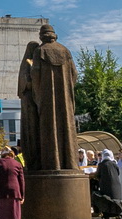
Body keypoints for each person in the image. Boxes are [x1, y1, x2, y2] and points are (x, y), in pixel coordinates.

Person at [17, 25, 80, 170]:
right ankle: (70, 163)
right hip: (65, 102)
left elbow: (35, 76)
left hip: (47, 102)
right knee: (67, 129)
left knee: (48, 130)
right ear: (54, 36)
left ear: (42, 37)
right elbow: (74, 75)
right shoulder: (65, 51)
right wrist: (66, 91)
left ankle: (51, 164)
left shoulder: (40, 51)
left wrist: (38, 97)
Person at [93, 149, 122, 219]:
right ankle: (118, 213)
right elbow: (118, 172)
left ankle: (107, 215)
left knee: (107, 199)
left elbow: (98, 175)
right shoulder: (114, 163)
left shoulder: (101, 164)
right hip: (116, 184)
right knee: (115, 198)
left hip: (105, 185)